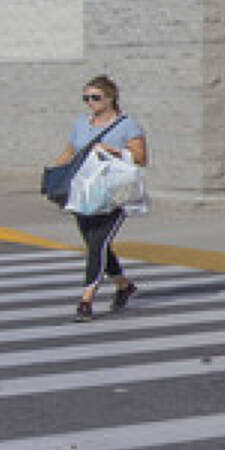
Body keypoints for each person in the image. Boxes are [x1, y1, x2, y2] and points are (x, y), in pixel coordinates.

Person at [58, 75, 148, 320]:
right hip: (83, 194)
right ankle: (124, 286)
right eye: (86, 98)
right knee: (97, 246)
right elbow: (70, 152)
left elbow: (141, 159)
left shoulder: (127, 125)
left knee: (97, 245)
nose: (90, 102)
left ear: (111, 97)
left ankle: (86, 300)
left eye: (95, 97)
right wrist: (55, 173)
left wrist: (113, 151)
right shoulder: (81, 123)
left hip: (114, 196)